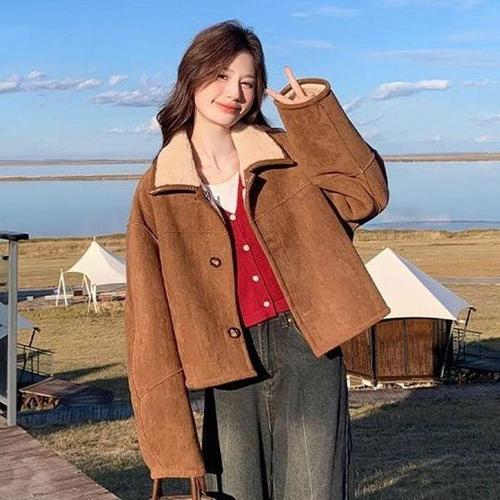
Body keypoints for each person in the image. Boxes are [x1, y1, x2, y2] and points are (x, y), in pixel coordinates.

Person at [125, 19, 390, 500]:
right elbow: (148, 317)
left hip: (308, 342)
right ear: (192, 76)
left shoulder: (286, 152)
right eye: (221, 75)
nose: (235, 92)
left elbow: (365, 195)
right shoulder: (158, 187)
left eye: (248, 81)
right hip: (224, 358)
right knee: (236, 492)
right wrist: (168, 440)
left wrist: (313, 115)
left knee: (315, 489)